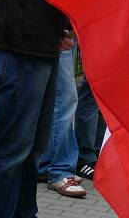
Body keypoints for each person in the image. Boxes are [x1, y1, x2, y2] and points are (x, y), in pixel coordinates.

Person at [0, 0, 78, 217]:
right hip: (20, 50)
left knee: (31, 150)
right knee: (12, 151)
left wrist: (60, 26)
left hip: (40, 48)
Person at [38, 48, 87, 198]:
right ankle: (60, 170)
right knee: (65, 98)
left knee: (58, 100)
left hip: (60, 33)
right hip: (58, 32)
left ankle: (47, 166)